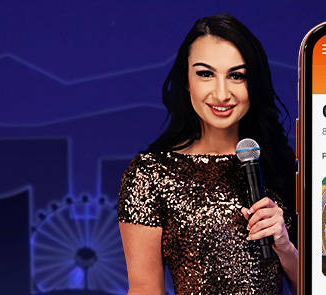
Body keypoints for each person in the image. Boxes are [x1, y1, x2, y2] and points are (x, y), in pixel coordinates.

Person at [116, 13, 299, 295]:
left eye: (237, 76)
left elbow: (323, 285)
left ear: (254, 83)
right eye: (205, 74)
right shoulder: (151, 174)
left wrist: (285, 246)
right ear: (186, 80)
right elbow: (144, 288)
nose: (222, 93)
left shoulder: (285, 168)